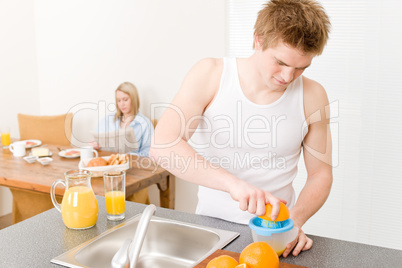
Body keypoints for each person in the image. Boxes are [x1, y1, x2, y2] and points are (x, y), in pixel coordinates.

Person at [150, 0, 332, 257]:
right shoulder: (211, 75)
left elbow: (320, 175)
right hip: (211, 231)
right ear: (258, 39)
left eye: (301, 67)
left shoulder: (313, 95)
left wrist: (294, 221)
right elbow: (162, 145)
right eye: (280, 62)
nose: (288, 76)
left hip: (276, 235)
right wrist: (233, 185)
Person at [91, 82, 154, 204]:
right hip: (108, 171)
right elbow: (97, 142)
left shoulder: (144, 123)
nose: (122, 104)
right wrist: (96, 145)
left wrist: (129, 156)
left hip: (133, 171)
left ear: (134, 99)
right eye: (118, 100)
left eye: (125, 99)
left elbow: (150, 152)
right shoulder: (108, 120)